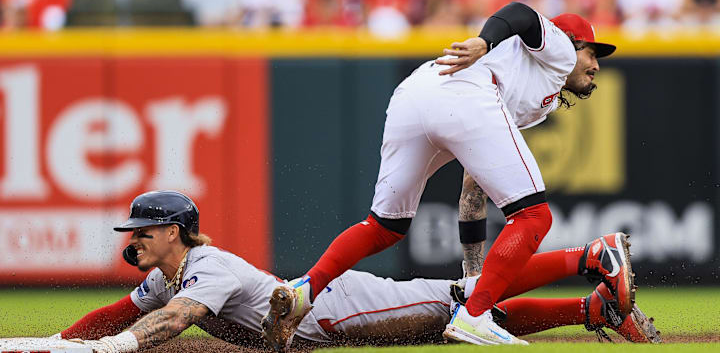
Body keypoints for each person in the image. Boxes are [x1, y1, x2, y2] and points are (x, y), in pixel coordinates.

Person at [261, 1, 620, 349]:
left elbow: (472, 189)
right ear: (571, 45)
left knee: (384, 227)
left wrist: (473, 273)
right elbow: (521, 14)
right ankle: (474, 317)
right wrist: (484, 40)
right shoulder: (559, 51)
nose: (596, 66)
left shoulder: (536, 90)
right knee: (534, 216)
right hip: (465, 90)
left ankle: (302, 293)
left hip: (416, 94)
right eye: (592, 54)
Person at [44, 190, 660, 353]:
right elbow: (120, 313)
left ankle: (590, 255)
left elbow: (171, 323)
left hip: (335, 308)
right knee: (456, 318)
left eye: (142, 230)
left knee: (460, 301)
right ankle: (593, 309)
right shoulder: (166, 275)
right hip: (322, 321)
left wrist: (109, 352)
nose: (134, 240)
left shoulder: (207, 266)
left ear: (173, 231)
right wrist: (63, 341)